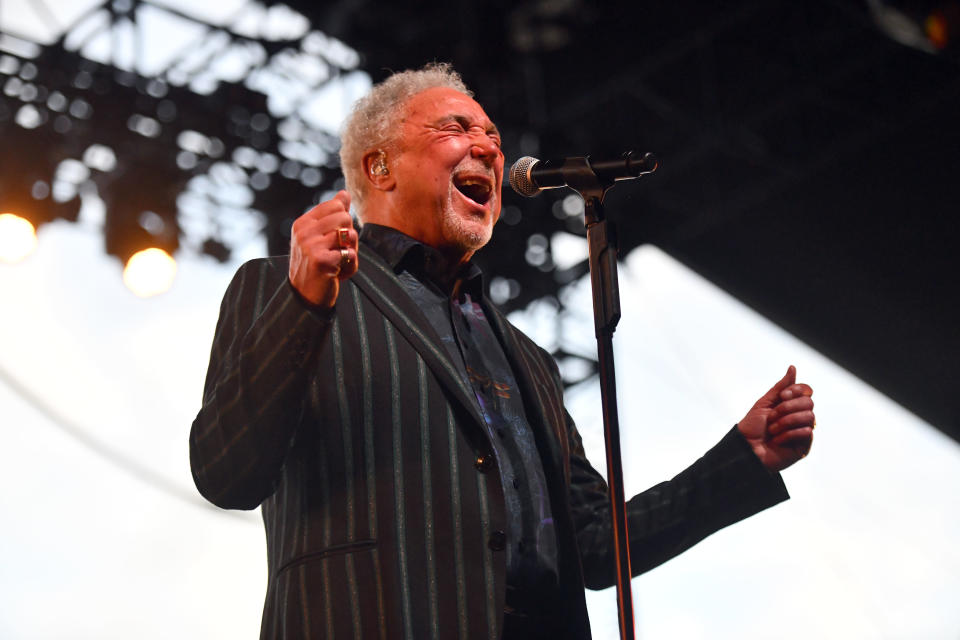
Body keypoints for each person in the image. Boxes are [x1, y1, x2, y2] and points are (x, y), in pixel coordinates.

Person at [189, 63, 815, 640]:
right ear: (380, 168)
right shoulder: (285, 287)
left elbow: (593, 544)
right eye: (456, 127)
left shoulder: (526, 358)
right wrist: (305, 301)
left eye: (492, 135)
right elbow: (225, 472)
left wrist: (744, 457)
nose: (489, 147)